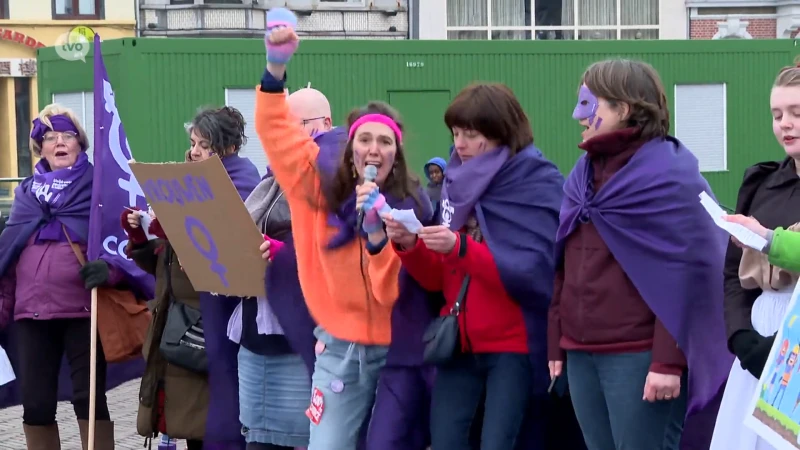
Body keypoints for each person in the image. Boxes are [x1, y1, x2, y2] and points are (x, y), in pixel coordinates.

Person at [255, 12, 433, 450]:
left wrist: (378, 235)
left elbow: (393, 293)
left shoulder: (411, 203)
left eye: (385, 141)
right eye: (365, 140)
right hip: (338, 351)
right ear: (351, 149)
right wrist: (276, 67)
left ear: (397, 151)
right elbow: (276, 131)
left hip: (399, 353)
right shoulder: (310, 182)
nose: (374, 149)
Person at [547, 59, 731, 450]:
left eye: (588, 102)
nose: (577, 115)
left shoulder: (669, 175)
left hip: (638, 357)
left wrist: (667, 360)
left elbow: (691, 274)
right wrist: (557, 341)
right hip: (581, 353)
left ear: (623, 108)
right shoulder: (583, 175)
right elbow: (564, 260)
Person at [388, 83, 564, 450]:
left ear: (502, 132)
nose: (460, 144)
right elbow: (440, 277)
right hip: (458, 345)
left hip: (513, 347)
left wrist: (461, 247)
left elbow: (532, 273)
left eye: (471, 134)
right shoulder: (455, 183)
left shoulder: (536, 180)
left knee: (501, 443)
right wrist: (409, 247)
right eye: (455, 133)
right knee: (446, 439)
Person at [125, 106, 260, 450]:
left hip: (209, 324)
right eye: (194, 143)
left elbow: (228, 249)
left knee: (212, 426)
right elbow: (164, 265)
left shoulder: (242, 182)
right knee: (192, 430)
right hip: (178, 321)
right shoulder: (188, 182)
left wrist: (174, 227)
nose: (196, 151)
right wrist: (142, 236)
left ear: (228, 147)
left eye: (206, 145)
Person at [0, 104, 120, 449]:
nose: (59, 142)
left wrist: (109, 271)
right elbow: (8, 256)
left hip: (84, 311)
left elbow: (121, 242)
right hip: (31, 314)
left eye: (67, 135)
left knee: (89, 400)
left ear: (80, 143)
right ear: (40, 147)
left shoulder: (99, 190)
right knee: (35, 404)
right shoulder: (25, 195)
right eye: (50, 137)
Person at [229, 87, 339, 450]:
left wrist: (283, 252)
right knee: (258, 439)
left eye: (297, 126)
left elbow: (332, 247)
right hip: (256, 330)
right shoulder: (270, 180)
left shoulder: (334, 179)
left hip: (301, 333)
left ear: (326, 124)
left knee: (306, 437)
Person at [709, 61, 800, 450]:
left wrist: (767, 238)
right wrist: (742, 339)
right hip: (762, 339)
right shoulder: (763, 182)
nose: (785, 124)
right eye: (777, 114)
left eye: (797, 113)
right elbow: (733, 275)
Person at [423, 157, 445, 221]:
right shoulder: (428, 189)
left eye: (437, 172)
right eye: (431, 173)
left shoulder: (449, 188)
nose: (434, 175)